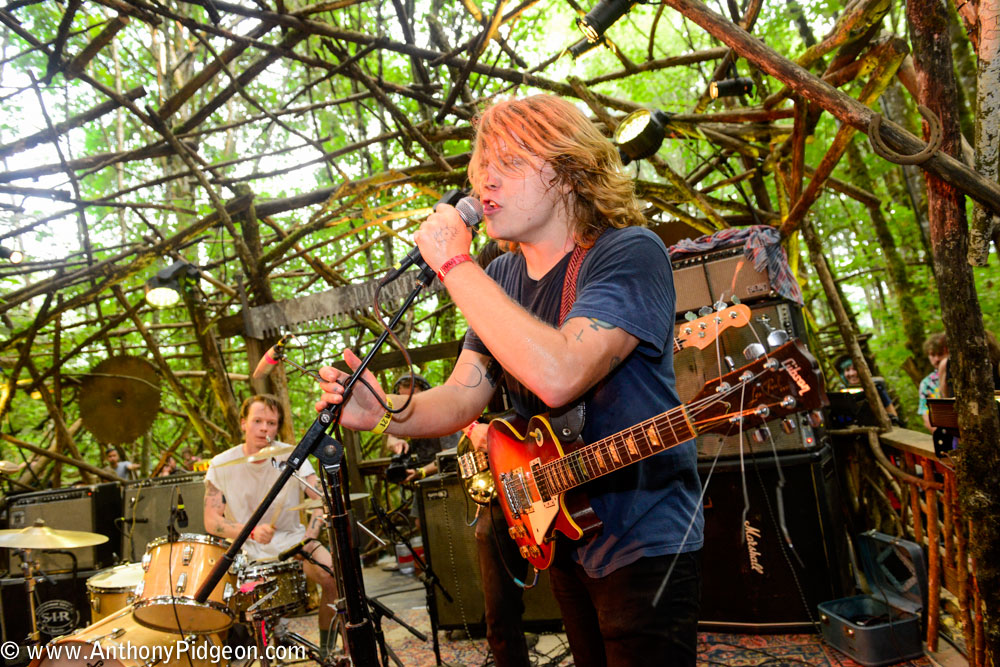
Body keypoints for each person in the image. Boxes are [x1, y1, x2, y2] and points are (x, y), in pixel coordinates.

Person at [318, 94, 704, 666]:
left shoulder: (628, 252)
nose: (483, 183)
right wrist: (386, 413)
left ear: (569, 171)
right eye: (478, 170)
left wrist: (454, 265)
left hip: (645, 533)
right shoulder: (499, 273)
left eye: (508, 163)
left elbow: (559, 374)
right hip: (567, 527)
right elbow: (465, 393)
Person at [204, 394, 342, 656]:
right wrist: (251, 531)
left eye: (271, 422)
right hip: (245, 554)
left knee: (334, 574)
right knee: (212, 599)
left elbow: (321, 498)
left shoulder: (293, 454)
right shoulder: (221, 464)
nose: (265, 428)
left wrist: (312, 532)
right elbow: (212, 521)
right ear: (244, 423)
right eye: (257, 421)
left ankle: (329, 650)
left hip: (294, 543)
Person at [384, 372, 459, 483]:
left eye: (412, 398)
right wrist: (395, 443)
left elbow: (449, 458)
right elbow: (390, 439)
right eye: (403, 400)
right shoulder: (407, 417)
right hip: (424, 479)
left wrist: (421, 472)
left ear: (425, 393)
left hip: (450, 478)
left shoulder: (442, 415)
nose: (408, 403)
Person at [837, 356, 900, 422]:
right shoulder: (842, 392)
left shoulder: (877, 388)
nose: (851, 373)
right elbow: (840, 419)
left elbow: (892, 414)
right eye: (847, 370)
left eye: (855, 369)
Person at [917, 333, 948, 430]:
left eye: (940, 354)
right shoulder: (926, 383)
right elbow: (926, 416)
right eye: (933, 355)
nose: (937, 359)